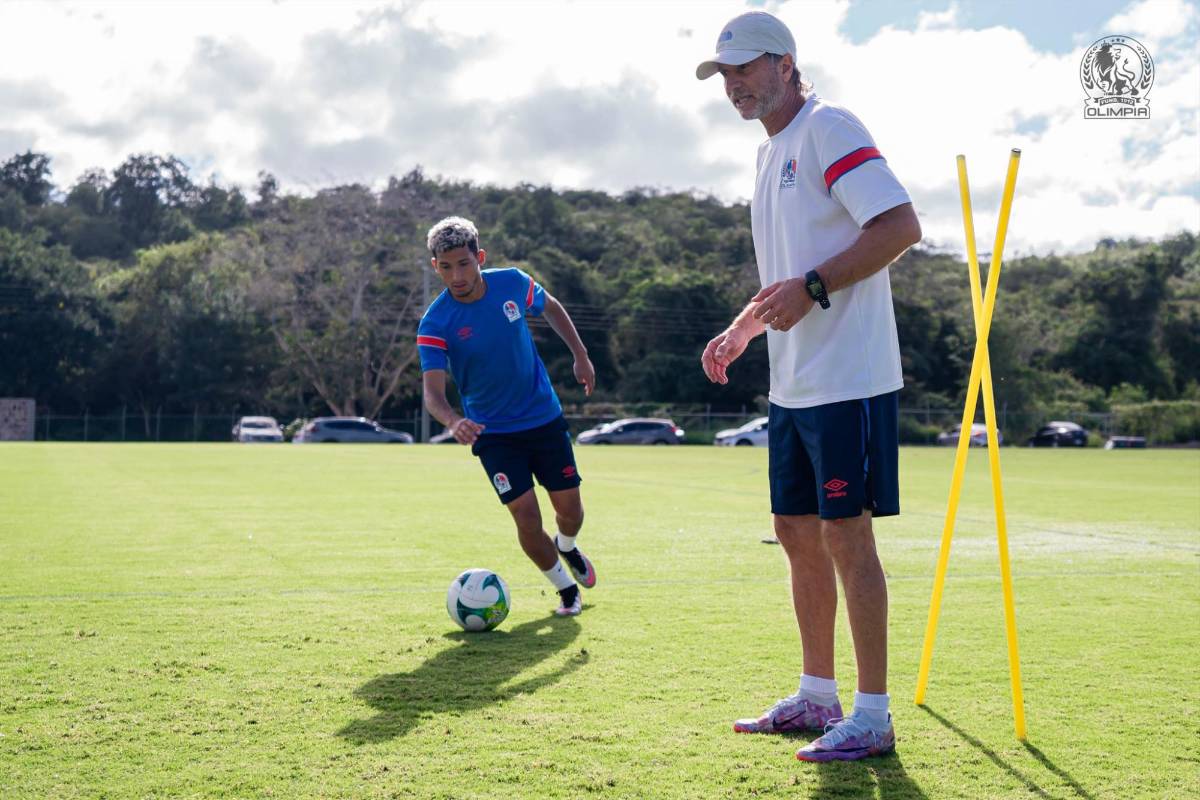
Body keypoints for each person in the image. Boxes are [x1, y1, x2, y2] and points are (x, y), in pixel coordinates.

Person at [696, 11, 922, 762]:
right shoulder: (768, 155)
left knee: (845, 536)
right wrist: (742, 329)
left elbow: (898, 226)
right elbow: (781, 282)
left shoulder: (829, 126)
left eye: (746, 69)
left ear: (787, 65)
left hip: (849, 378)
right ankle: (817, 695)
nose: (734, 85)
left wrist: (817, 288)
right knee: (795, 533)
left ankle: (873, 713)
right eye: (724, 75)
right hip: (792, 386)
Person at [418, 216, 598, 617]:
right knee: (526, 516)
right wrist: (452, 421)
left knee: (571, 512)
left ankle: (567, 546)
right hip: (492, 432)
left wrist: (580, 356)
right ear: (435, 267)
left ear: (479, 258)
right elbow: (432, 393)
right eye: (445, 267)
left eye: (464, 264)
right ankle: (566, 590)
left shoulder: (513, 283)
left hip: (543, 418)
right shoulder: (435, 322)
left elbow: (552, 308)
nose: (456, 275)